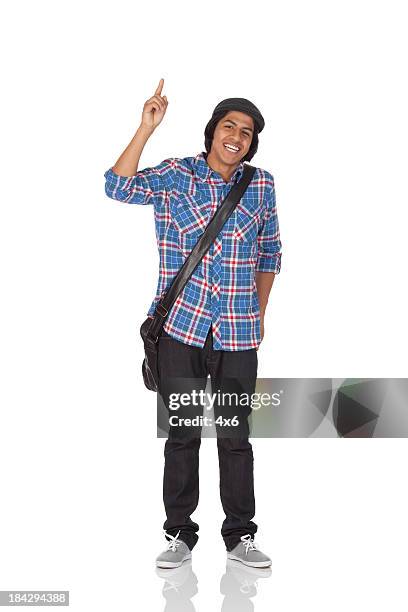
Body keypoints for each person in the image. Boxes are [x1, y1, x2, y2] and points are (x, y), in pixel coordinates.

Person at [104, 78, 282, 569]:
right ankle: (179, 534)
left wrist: (259, 313)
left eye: (246, 132)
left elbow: (271, 252)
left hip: (238, 334)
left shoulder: (261, 184)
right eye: (230, 126)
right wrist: (145, 128)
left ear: (251, 144)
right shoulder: (176, 175)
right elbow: (117, 186)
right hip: (181, 330)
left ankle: (240, 534)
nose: (237, 136)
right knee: (183, 433)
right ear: (212, 132)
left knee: (234, 434)